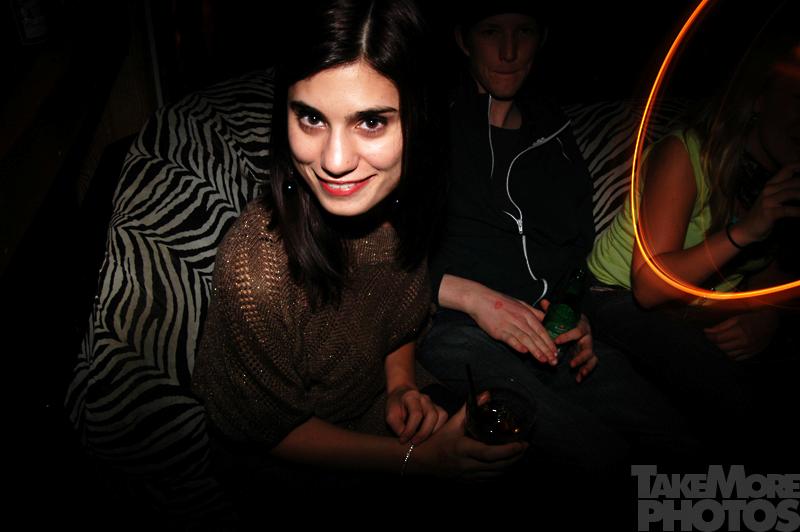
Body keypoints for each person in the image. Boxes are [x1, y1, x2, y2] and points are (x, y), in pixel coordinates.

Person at [190, 0, 526, 517]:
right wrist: (418, 460)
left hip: (376, 409)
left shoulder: (399, 205)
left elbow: (399, 320)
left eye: (370, 122)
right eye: (311, 118)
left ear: (420, 119)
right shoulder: (256, 271)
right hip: (287, 462)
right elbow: (268, 431)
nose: (335, 161)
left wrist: (401, 386)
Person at [417, 1, 699, 503]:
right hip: (456, 327)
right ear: (463, 40)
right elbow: (384, 261)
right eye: (491, 31)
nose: (508, 51)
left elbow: (576, 251)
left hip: (552, 332)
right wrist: (476, 299)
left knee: (679, 441)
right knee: (600, 458)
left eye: (523, 31)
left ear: (541, 39)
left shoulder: (554, 133)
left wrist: (575, 314)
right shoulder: (427, 126)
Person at [587, 3, 799, 464]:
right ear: (759, 99)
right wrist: (747, 230)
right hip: (614, 296)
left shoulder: (784, 180)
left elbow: (776, 270)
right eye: (797, 99)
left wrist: (766, 316)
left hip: (697, 312)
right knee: (739, 410)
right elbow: (649, 287)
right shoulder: (685, 153)